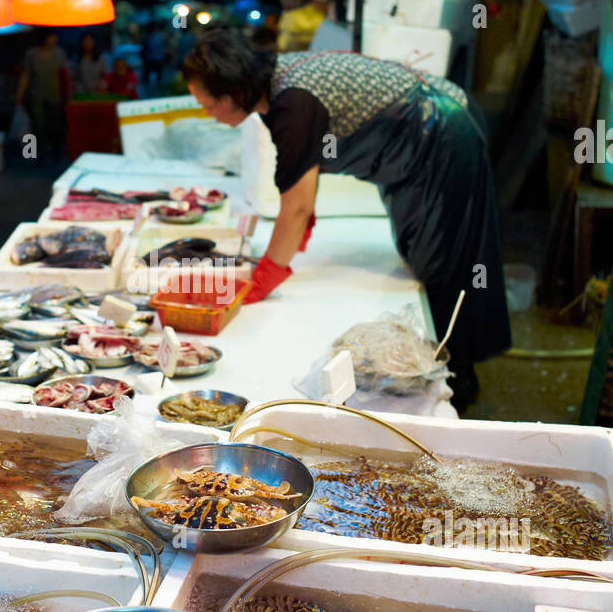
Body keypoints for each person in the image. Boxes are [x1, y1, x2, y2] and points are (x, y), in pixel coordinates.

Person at [183, 30, 511, 413]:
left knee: (448, 259)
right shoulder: (277, 87)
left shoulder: (294, 102)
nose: (210, 116)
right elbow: (300, 183)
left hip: (441, 133)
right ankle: (442, 368)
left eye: (208, 106)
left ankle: (455, 383)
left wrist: (265, 276)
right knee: (421, 251)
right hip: (420, 141)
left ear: (233, 93)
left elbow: (298, 206)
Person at [14, 30, 69, 159]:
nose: (53, 40)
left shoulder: (59, 53)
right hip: (36, 95)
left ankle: (57, 153)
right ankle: (37, 155)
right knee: (37, 126)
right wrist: (20, 93)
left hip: (55, 95)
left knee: (55, 124)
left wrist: (67, 93)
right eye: (51, 36)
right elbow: (26, 75)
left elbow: (65, 75)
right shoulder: (32, 54)